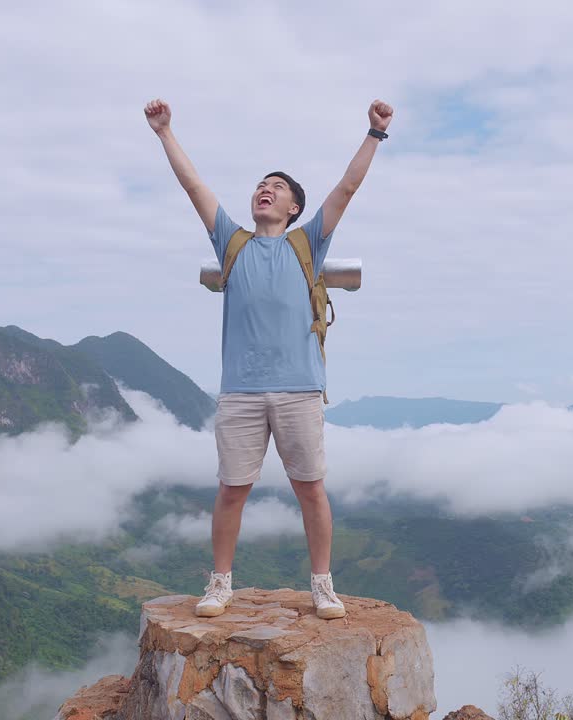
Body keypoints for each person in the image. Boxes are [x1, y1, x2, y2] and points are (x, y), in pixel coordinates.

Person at [144, 97, 393, 620]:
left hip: (299, 387)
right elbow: (194, 187)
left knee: (310, 489)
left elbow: (347, 188)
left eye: (278, 187)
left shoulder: (308, 244)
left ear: (294, 208)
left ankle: (322, 585)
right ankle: (220, 584)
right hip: (240, 390)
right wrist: (165, 132)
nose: (266, 189)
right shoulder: (231, 244)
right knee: (232, 491)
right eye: (262, 184)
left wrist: (374, 134)